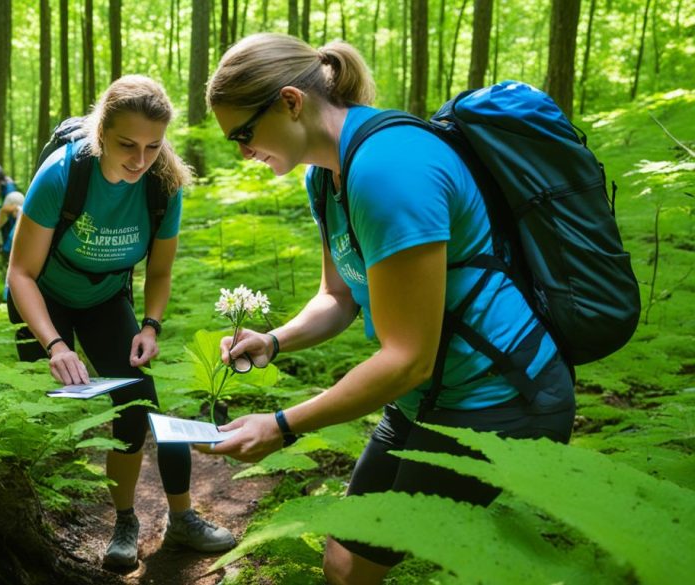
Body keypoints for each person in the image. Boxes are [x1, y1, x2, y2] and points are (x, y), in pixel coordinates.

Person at [202, 33, 575, 585]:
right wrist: (274, 340)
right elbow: (339, 296)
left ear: (290, 102)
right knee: (344, 558)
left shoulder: (387, 169)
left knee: (360, 564)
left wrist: (282, 426)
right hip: (429, 396)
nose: (241, 151)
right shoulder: (327, 177)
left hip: (502, 399)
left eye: (244, 133)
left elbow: (407, 359)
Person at [6, 74, 236, 568]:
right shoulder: (62, 175)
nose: (139, 159)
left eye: (153, 146)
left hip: (106, 295)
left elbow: (160, 268)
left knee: (139, 403)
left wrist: (150, 326)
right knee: (25, 409)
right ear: (100, 133)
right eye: (126, 144)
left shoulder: (163, 185)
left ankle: (150, 520)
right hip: (43, 294)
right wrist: (55, 346)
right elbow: (20, 272)